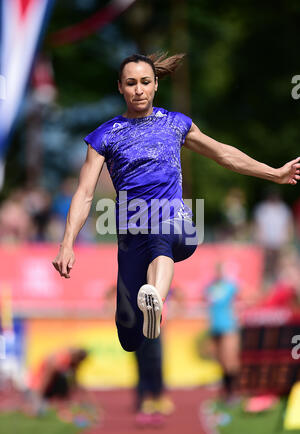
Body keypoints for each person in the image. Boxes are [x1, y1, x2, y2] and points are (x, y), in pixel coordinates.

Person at [52, 52, 300, 353]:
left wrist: (274, 173)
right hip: (132, 232)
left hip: (177, 223)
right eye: (131, 83)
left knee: (162, 232)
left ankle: (155, 296)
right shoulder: (105, 136)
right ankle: (147, 306)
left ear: (156, 84)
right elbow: (85, 192)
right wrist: (67, 243)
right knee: (129, 337)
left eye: (145, 82)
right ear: (120, 87)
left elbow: (224, 154)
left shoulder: (175, 124)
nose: (139, 89)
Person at [203, 263, 240, 401]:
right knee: (221, 361)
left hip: (228, 326)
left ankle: (233, 392)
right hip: (215, 327)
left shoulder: (230, 286)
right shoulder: (210, 287)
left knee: (230, 360)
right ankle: (226, 392)